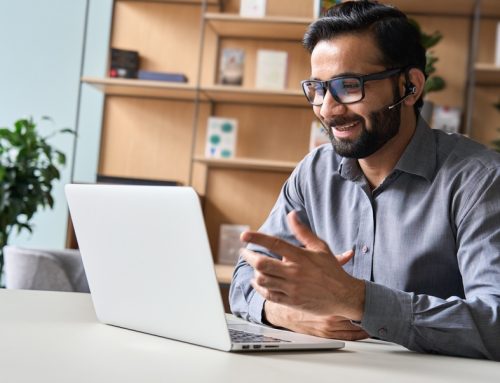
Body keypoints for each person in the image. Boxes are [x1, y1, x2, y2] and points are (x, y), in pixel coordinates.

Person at [229, 0, 500, 360]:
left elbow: (494, 324)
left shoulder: (479, 180)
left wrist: (355, 300)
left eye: (349, 85)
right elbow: (244, 279)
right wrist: (289, 313)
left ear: (410, 87)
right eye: (318, 88)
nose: (328, 108)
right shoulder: (315, 172)